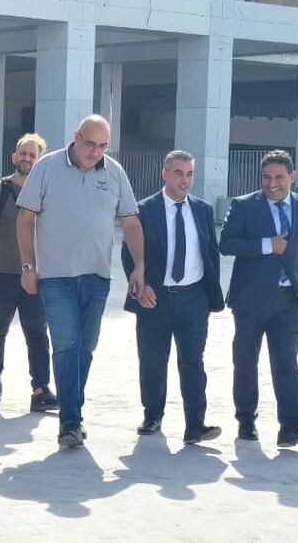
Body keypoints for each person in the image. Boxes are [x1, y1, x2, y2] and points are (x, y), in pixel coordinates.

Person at [16, 115, 145, 448]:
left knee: (85, 348)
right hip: (55, 276)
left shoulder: (114, 172)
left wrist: (139, 265)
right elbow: (25, 217)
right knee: (66, 345)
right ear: (76, 136)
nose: (96, 152)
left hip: (96, 276)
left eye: (103, 146)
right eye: (90, 144)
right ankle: (70, 422)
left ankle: (72, 409)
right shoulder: (47, 167)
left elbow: (130, 222)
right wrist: (28, 266)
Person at [120, 150, 224, 444]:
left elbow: (211, 254)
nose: (185, 180)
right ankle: (153, 415)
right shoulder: (143, 210)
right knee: (152, 360)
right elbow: (129, 255)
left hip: (193, 299)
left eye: (190, 174)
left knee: (193, 362)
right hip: (155, 299)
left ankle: (196, 425)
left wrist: (208, 297)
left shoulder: (202, 210)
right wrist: (140, 289)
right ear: (164, 174)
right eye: (179, 173)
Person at [220, 149, 298, 447]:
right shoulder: (243, 206)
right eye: (266, 177)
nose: (272, 183)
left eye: (279, 177)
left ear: (292, 177)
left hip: (289, 301)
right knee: (246, 361)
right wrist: (268, 245)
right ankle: (246, 421)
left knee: (287, 363)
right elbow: (226, 244)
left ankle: (291, 428)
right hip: (250, 300)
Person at [0, 134, 57, 412]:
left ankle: (40, 387)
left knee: (37, 332)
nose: (26, 159)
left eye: (32, 155)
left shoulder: (46, 191)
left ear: (40, 160)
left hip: (35, 275)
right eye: (23, 153)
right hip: (2, 273)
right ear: (14, 157)